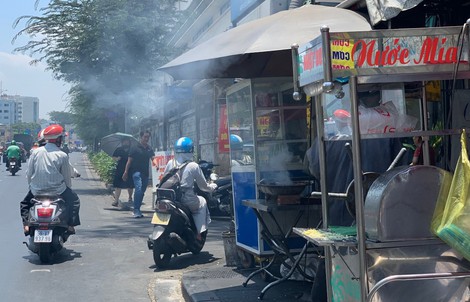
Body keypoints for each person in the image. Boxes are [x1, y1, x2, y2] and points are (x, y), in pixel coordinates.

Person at [20, 124, 81, 235]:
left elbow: (29, 173)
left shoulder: (35, 152)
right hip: (58, 191)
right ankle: (71, 226)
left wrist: (32, 187)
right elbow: (67, 177)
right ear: (58, 139)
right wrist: (68, 189)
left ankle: (26, 225)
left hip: (37, 190)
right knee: (74, 201)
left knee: (25, 204)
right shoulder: (62, 155)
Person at [163, 137, 216, 240]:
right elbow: (203, 187)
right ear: (191, 150)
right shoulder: (193, 166)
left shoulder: (171, 163)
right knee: (202, 201)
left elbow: (165, 178)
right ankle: (199, 233)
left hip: (171, 198)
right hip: (186, 199)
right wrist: (212, 187)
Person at [122, 130, 155, 218]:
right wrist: (125, 172)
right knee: (139, 189)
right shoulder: (134, 148)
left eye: (148, 137)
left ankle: (138, 209)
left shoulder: (149, 148)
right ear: (141, 137)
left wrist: (157, 164)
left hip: (145, 173)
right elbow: (129, 161)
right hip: (136, 173)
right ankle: (136, 210)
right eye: (145, 137)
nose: (146, 139)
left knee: (142, 192)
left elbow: (153, 158)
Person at [111, 137, 134, 207]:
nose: (126, 143)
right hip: (120, 169)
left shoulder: (132, 150)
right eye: (124, 141)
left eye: (127, 141)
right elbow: (113, 157)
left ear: (129, 142)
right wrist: (117, 158)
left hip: (130, 169)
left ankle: (130, 197)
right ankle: (116, 200)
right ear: (122, 142)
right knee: (118, 185)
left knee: (130, 185)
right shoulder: (119, 149)